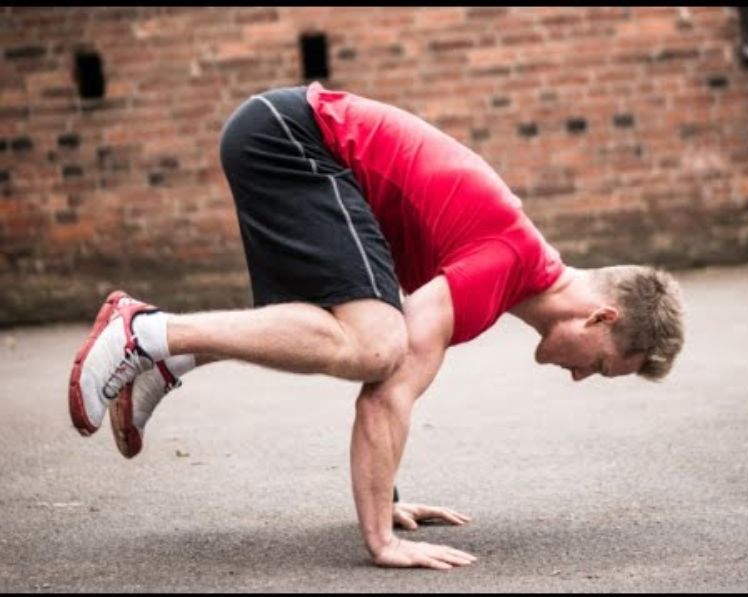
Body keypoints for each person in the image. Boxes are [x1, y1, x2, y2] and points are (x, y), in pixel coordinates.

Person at [68, 82, 685, 570]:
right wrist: (380, 539)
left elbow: (386, 389)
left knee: (341, 332)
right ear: (602, 316)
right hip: (294, 137)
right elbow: (385, 395)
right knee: (376, 344)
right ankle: (147, 332)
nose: (582, 376)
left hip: (286, 137)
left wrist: (387, 497)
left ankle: (171, 358)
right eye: (602, 363)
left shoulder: (507, 272)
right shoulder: (505, 263)